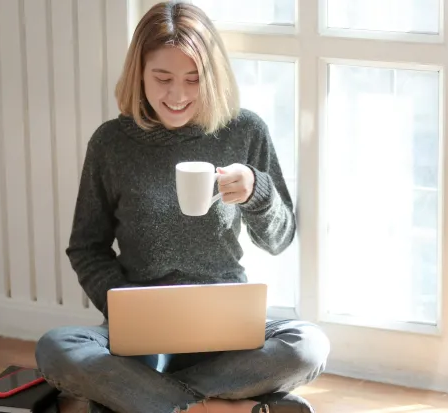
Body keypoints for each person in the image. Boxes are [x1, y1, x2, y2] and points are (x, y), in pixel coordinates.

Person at [33, 2, 330, 412]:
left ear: (213, 76)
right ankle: (228, 405)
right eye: (163, 78)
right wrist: (126, 307)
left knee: (308, 344)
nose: (178, 94)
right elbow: (87, 247)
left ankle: (150, 399)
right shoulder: (112, 143)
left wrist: (256, 192)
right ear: (140, 73)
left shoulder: (244, 131)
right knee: (57, 348)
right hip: (143, 332)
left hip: (226, 325)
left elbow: (279, 239)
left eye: (194, 79)